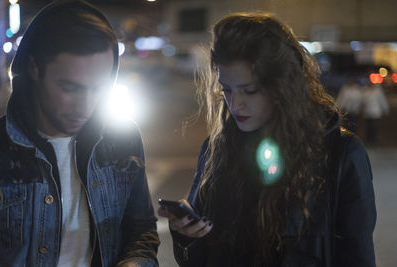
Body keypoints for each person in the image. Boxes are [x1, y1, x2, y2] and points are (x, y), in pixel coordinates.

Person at [159, 13, 376, 266]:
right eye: (226, 89)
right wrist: (187, 237)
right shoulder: (216, 149)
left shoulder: (341, 153)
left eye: (249, 90)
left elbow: (357, 256)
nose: (235, 104)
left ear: (283, 86)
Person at [0, 1, 159, 266]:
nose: (85, 106)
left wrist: (135, 263)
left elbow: (141, 229)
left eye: (99, 88)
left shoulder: (122, 138)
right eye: (70, 88)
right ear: (35, 68)